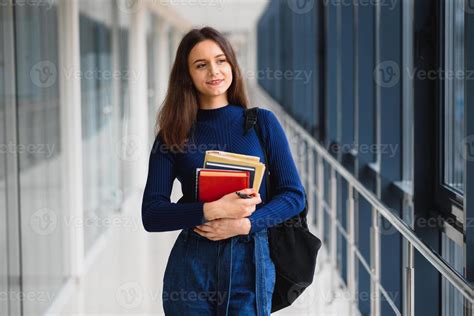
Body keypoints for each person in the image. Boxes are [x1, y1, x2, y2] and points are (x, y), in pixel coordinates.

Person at [141, 26, 305, 315]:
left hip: (251, 259)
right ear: (187, 75)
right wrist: (212, 208)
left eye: (221, 60)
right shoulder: (172, 134)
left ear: (232, 64)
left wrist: (247, 224)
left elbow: (293, 196)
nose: (213, 71)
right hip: (192, 264)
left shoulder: (261, 124)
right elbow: (152, 213)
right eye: (201, 65)